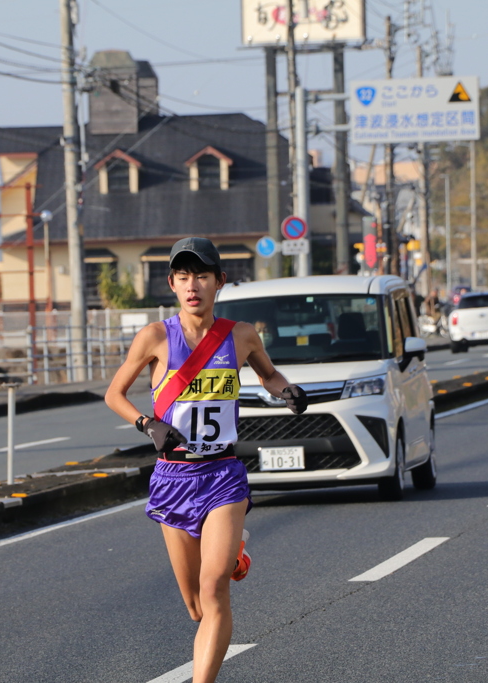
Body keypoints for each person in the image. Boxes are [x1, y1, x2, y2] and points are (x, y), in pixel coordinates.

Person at [105, 237, 307, 683]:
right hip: (173, 477)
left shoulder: (240, 335)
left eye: (201, 276)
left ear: (219, 281)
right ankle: (236, 554)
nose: (192, 285)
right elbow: (114, 394)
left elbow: (268, 374)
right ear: (173, 285)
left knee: (214, 590)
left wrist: (285, 391)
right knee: (196, 607)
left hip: (222, 475)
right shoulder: (155, 337)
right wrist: (146, 424)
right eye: (182, 277)